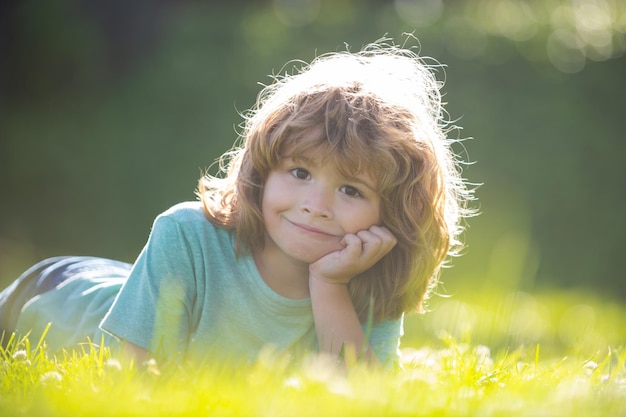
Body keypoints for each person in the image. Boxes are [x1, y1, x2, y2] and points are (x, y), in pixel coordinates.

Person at [0, 38, 474, 368]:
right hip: (50, 293)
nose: (316, 205)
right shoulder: (185, 234)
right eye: (300, 173)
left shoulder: (371, 282)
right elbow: (133, 378)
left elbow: (369, 402)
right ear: (262, 171)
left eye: (351, 190)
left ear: (391, 214)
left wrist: (329, 286)